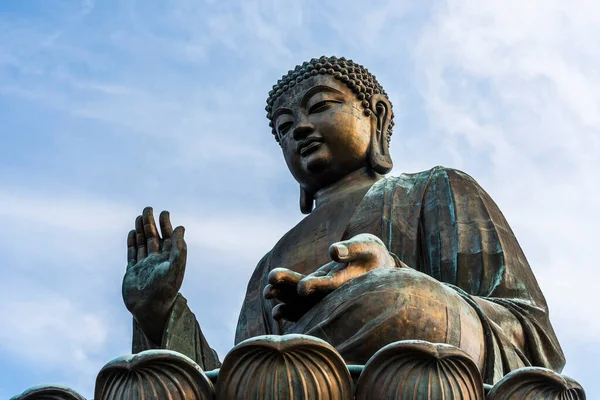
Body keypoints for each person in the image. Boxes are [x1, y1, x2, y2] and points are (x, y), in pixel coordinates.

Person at [122, 56, 565, 384]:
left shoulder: (437, 190)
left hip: (420, 376)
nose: (298, 128)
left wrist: (393, 276)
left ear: (377, 117)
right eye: (283, 127)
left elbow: (529, 335)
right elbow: (237, 373)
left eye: (319, 106)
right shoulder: (271, 261)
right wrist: (158, 314)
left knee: (395, 299)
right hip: (291, 384)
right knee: (158, 378)